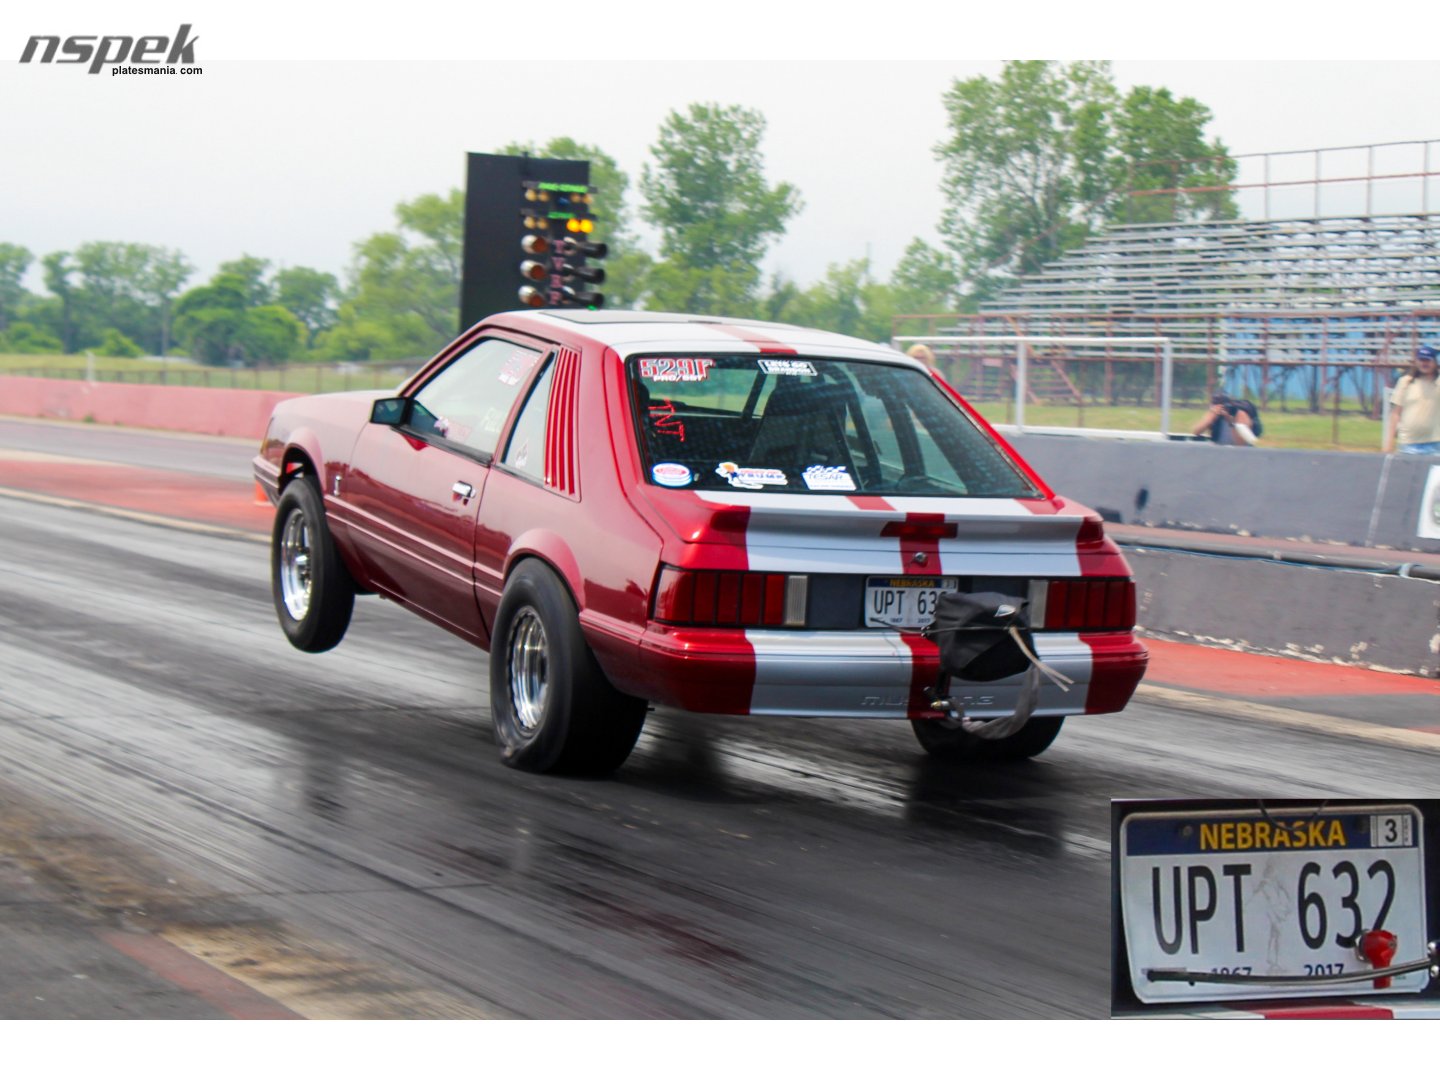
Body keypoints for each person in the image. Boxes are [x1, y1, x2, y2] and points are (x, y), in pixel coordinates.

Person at [1383, 343, 1440, 455]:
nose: (1424, 363)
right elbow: (1396, 414)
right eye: (1422, 360)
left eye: (1428, 360)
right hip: (1408, 444)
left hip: (1435, 444)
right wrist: (1389, 444)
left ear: (1435, 362)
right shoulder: (1405, 382)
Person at [1192, 392, 1260, 446]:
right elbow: (1196, 432)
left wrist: (1231, 421)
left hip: (1241, 453)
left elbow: (1241, 444)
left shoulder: (1240, 414)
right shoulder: (1213, 413)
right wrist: (1211, 417)